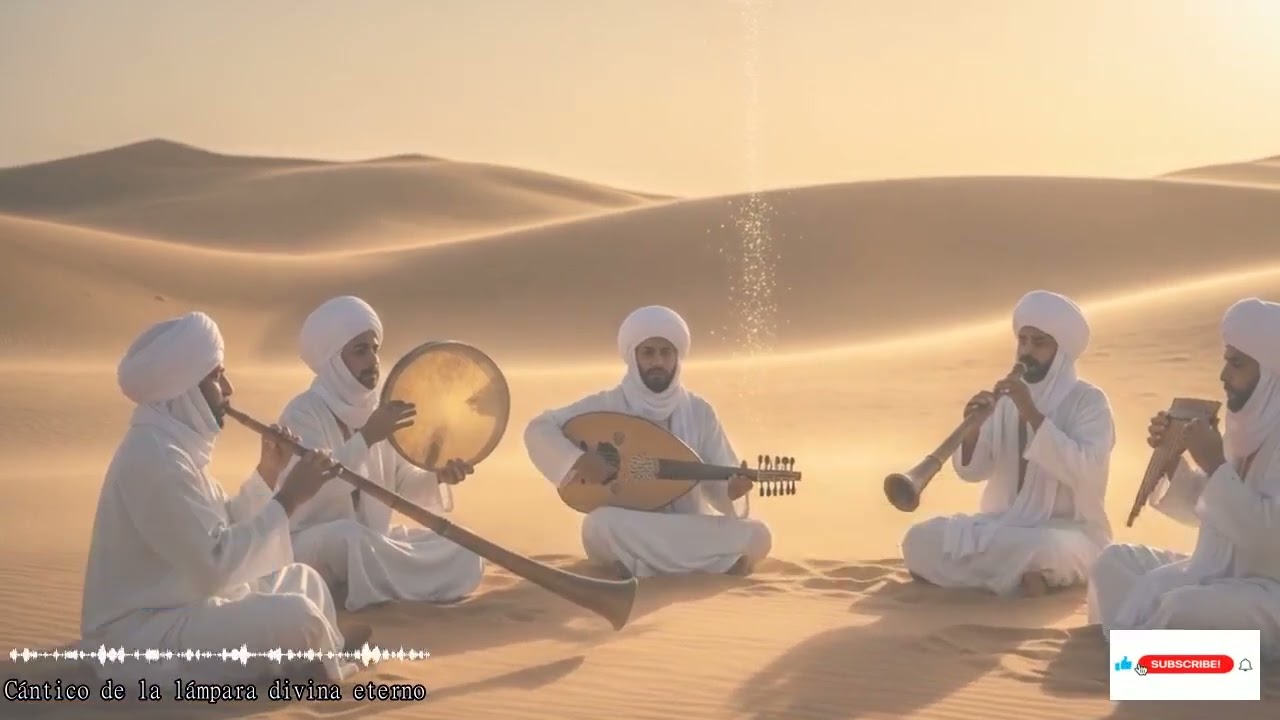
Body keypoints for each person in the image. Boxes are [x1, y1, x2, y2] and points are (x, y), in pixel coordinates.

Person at [80, 311, 362, 687]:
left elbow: (222, 527)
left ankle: (321, 655)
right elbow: (215, 566)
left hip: (182, 603)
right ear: (184, 389)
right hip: (140, 635)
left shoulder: (173, 445)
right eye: (215, 377)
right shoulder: (158, 459)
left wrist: (269, 471)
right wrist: (290, 497)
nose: (227, 389)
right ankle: (316, 665)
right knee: (298, 617)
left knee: (304, 581)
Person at [264, 295, 484, 611]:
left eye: (375, 349)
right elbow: (313, 487)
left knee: (466, 546)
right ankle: (392, 582)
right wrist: (367, 438)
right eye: (360, 351)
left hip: (373, 539)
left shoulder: (380, 407)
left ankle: (384, 581)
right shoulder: (303, 413)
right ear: (333, 360)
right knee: (348, 539)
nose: (373, 360)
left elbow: (402, 483)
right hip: (311, 543)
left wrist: (437, 477)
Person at [1088, 297, 1280, 658]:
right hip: (1215, 569)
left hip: (1269, 591)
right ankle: (1152, 657)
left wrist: (1215, 464)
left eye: (1237, 364)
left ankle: (1150, 660)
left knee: (1182, 608)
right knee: (1113, 564)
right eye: (1226, 360)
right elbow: (1205, 513)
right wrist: (1172, 460)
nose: (1223, 375)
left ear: (1272, 372)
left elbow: (1268, 540)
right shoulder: (1244, 429)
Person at [523, 304, 773, 578]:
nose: (658, 362)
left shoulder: (699, 411)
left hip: (685, 525)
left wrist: (732, 492)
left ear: (677, 357)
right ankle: (714, 564)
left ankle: (640, 566)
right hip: (633, 525)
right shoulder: (608, 404)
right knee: (598, 526)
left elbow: (720, 482)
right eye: (648, 352)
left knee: (758, 534)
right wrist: (576, 460)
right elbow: (539, 428)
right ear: (633, 356)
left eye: (666, 352)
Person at [899, 290, 1116, 596]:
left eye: (1039, 343)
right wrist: (973, 430)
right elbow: (973, 472)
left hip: (1069, 530)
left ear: (1061, 351)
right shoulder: (1004, 399)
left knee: (1046, 549)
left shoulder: (1089, 401)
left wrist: (1031, 414)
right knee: (919, 538)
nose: (1026, 351)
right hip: (1002, 525)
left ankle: (998, 574)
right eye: (1022, 341)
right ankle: (1019, 577)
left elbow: (1087, 474)